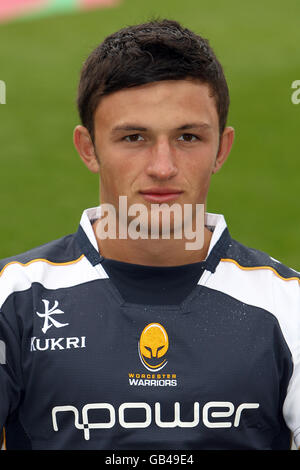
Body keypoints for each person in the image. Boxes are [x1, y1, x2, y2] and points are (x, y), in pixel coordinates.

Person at [0, 19, 299, 451]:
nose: (163, 166)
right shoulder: (12, 301)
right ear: (89, 148)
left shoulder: (289, 309)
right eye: (134, 137)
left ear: (222, 148)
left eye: (188, 137)